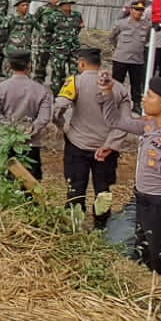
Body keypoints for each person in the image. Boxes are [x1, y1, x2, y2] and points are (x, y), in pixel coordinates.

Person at [96, 74, 161, 282]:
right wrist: (107, 93)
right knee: (144, 257)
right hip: (143, 201)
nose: (144, 99)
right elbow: (114, 120)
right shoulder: (150, 126)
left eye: (150, 96)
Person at [53, 47, 130, 228]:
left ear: (81, 63)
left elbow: (58, 107)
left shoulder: (75, 82)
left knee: (76, 188)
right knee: (103, 191)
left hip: (77, 143)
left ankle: (74, 224)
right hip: (106, 148)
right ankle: (101, 226)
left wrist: (62, 125)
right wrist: (111, 144)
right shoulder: (118, 88)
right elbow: (125, 122)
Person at [0, 48, 51, 179]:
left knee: (3, 180)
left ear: (9, 66)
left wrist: (11, 129)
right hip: (30, 145)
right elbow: (44, 118)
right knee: (30, 184)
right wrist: (29, 129)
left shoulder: (0, 88)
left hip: (4, 143)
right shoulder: (41, 90)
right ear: (29, 66)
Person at [109, 1, 151, 105]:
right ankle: (115, 102)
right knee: (117, 83)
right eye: (137, 9)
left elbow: (147, 39)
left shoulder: (147, 25)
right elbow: (112, 37)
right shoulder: (121, 23)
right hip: (121, 58)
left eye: (141, 10)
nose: (139, 12)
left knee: (136, 84)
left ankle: (136, 104)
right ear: (131, 10)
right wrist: (119, 48)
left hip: (137, 59)